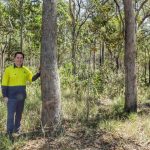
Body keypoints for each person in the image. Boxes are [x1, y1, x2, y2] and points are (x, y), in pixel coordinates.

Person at [1, 51, 40, 137]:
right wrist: (4, 96)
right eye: (17, 58)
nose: (19, 59)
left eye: (21, 58)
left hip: (21, 97)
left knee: (19, 114)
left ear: (23, 59)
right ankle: (9, 133)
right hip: (11, 97)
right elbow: (4, 84)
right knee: (10, 115)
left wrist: (39, 73)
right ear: (14, 59)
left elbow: (32, 79)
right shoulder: (8, 70)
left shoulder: (25, 70)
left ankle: (17, 131)